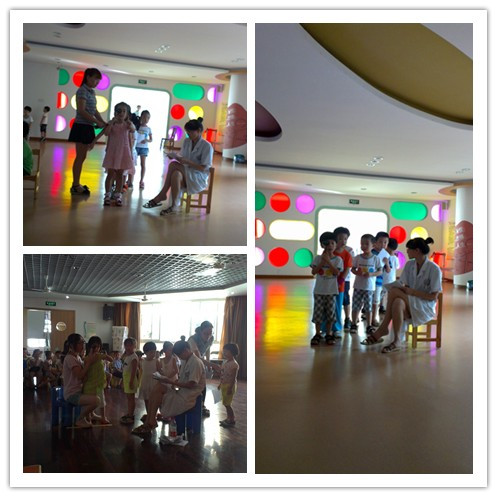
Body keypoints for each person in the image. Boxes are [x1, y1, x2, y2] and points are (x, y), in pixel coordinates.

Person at [361, 237, 442, 354]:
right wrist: (406, 290)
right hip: (411, 302)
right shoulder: (410, 265)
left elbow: (433, 297)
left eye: (409, 249)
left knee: (394, 292)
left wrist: (412, 292)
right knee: (397, 302)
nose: (407, 251)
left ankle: (383, 328)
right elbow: (405, 285)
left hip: (425, 306)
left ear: (417, 251)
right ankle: (397, 341)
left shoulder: (434, 269)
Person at [131, 339, 206, 437]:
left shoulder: (195, 362)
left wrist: (170, 382)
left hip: (189, 396)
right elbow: (182, 379)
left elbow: (192, 384)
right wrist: (172, 382)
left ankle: (150, 422)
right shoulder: (186, 360)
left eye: (180, 355)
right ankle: (150, 420)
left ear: (186, 350)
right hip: (181, 391)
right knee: (157, 387)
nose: (179, 357)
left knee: (158, 392)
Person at [142, 117, 213, 215]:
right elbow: (182, 156)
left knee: (173, 165)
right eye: (187, 132)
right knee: (176, 174)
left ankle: (162, 194)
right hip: (187, 172)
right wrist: (175, 156)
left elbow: (204, 168)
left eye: (190, 132)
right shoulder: (187, 141)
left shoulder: (207, 146)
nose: (188, 134)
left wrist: (188, 162)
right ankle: (174, 205)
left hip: (198, 177)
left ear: (199, 131)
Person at [67, 68, 107, 195]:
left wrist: (102, 121)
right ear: (88, 77)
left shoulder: (91, 92)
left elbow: (94, 109)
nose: (97, 83)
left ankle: (76, 183)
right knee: (80, 157)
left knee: (82, 156)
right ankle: (75, 185)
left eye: (98, 81)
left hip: (87, 126)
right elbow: (81, 110)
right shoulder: (82, 91)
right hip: (81, 126)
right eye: (95, 79)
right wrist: (97, 122)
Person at [92, 102, 135, 207]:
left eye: (124, 111)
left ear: (127, 114)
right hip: (113, 151)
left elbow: (133, 130)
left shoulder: (127, 125)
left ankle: (118, 194)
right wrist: (111, 123)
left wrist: (130, 123)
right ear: (115, 112)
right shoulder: (112, 124)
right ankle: (107, 194)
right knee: (110, 174)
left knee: (120, 174)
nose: (121, 113)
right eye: (119, 111)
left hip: (123, 152)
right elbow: (106, 133)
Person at [310, 232, 343, 346]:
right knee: (318, 314)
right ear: (322, 245)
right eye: (327, 243)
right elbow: (314, 272)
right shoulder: (317, 258)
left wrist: (328, 262)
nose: (330, 245)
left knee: (330, 313)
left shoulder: (338, 259)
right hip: (319, 291)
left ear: (336, 245)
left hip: (331, 291)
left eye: (333, 243)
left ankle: (329, 333)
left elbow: (337, 272)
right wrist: (322, 261)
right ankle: (317, 334)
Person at [61, 333, 100, 428]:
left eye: (83, 342)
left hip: (78, 391)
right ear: (72, 345)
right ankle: (79, 419)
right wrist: (89, 362)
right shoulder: (70, 358)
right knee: (97, 400)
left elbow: (84, 374)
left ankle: (91, 415)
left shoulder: (77, 357)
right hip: (72, 394)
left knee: (94, 393)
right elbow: (80, 375)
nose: (83, 345)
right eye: (80, 343)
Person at [349, 234, 382, 335]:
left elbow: (380, 271)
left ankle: (369, 325)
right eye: (362, 243)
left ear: (373, 245)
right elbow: (352, 269)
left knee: (368, 307)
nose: (363, 246)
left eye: (366, 244)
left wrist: (371, 274)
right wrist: (356, 272)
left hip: (369, 288)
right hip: (358, 286)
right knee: (355, 306)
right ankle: (354, 324)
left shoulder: (376, 258)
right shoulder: (357, 258)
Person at [187, 322, 221, 416]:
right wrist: (212, 365)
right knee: (194, 383)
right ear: (200, 331)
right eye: (206, 333)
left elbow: (207, 349)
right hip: (190, 362)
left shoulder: (211, 338)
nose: (208, 336)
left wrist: (209, 363)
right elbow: (197, 357)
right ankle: (192, 404)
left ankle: (201, 405)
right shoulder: (193, 339)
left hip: (200, 361)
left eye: (210, 333)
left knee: (202, 384)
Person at [82, 336, 113, 425]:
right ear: (90, 347)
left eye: (98, 346)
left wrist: (105, 355)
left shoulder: (99, 356)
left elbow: (111, 359)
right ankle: (90, 417)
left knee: (102, 402)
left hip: (99, 384)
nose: (96, 349)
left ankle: (103, 417)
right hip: (89, 384)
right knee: (90, 402)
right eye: (94, 347)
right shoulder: (86, 358)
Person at [330, 227, 353, 339]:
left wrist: (341, 280)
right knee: (328, 306)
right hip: (328, 284)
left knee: (338, 307)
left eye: (345, 239)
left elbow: (347, 269)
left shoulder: (347, 254)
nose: (343, 241)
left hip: (340, 285)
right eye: (340, 239)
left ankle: (337, 328)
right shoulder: (330, 252)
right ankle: (326, 329)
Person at [218, 343, 240, 428]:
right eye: (224, 351)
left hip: (229, 386)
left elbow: (233, 378)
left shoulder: (234, 364)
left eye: (226, 352)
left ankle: (232, 419)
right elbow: (223, 374)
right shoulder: (225, 362)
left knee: (228, 404)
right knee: (225, 403)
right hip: (224, 385)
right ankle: (228, 418)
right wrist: (220, 384)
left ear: (232, 352)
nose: (224, 353)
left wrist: (230, 388)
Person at [138, 342, 161, 422]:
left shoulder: (156, 361)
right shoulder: (142, 361)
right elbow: (141, 371)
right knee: (146, 399)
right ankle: (149, 414)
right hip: (145, 382)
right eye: (151, 352)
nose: (153, 354)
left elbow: (160, 372)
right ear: (146, 352)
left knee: (153, 400)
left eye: (154, 352)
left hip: (154, 383)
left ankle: (153, 415)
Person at [371, 231, 390, 326]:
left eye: (385, 242)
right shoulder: (371, 252)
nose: (383, 244)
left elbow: (388, 270)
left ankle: (374, 318)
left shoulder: (386, 255)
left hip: (378, 281)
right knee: (367, 299)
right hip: (368, 280)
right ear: (375, 242)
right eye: (380, 242)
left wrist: (387, 263)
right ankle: (367, 316)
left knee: (376, 301)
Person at [120, 337, 140, 425]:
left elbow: (134, 371)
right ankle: (129, 413)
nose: (128, 347)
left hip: (131, 380)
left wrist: (131, 382)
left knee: (131, 398)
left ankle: (131, 415)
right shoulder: (127, 356)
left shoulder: (134, 357)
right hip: (127, 379)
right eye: (126, 345)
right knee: (129, 398)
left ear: (134, 346)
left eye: (130, 345)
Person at [132, 110, 152, 189]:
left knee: (143, 164)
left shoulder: (149, 129)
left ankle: (141, 180)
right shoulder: (137, 126)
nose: (145, 119)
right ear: (141, 117)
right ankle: (130, 180)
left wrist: (146, 140)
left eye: (147, 118)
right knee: (133, 163)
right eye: (144, 117)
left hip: (144, 148)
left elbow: (151, 139)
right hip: (136, 147)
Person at [380, 238, 400, 312]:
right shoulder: (395, 258)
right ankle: (388, 306)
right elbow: (397, 267)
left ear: (387, 246)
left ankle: (382, 306)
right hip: (392, 279)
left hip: (384, 279)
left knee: (382, 293)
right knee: (389, 294)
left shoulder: (385, 257)